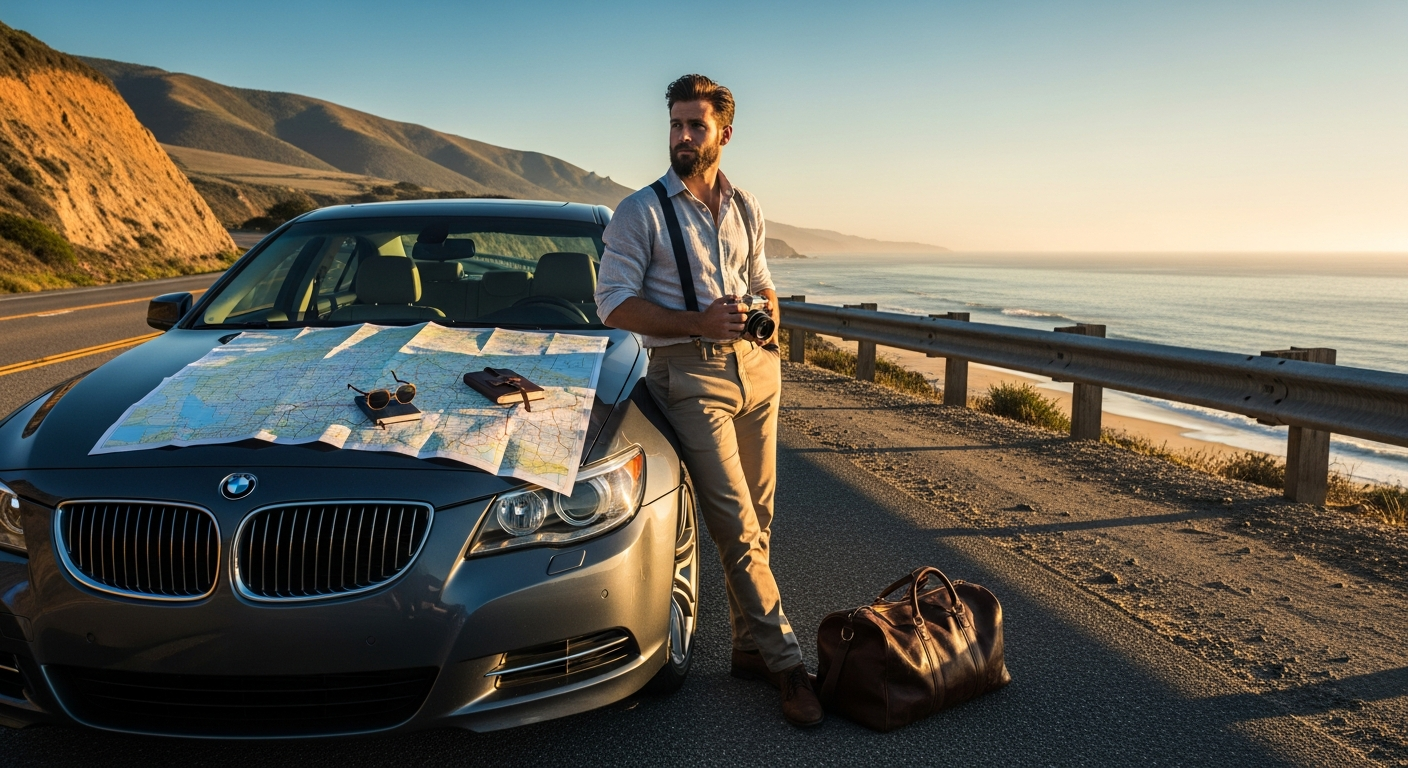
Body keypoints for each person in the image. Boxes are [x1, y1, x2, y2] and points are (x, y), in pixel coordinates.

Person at [594, 74, 822, 727]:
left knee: (764, 515)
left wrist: (768, 321)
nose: (684, 137)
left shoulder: (746, 205)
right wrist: (698, 323)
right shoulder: (640, 212)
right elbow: (612, 304)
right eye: (676, 125)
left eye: (696, 125)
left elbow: (763, 284)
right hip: (689, 376)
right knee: (737, 528)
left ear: (724, 131)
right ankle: (788, 667)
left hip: (758, 372)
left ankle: (748, 649)